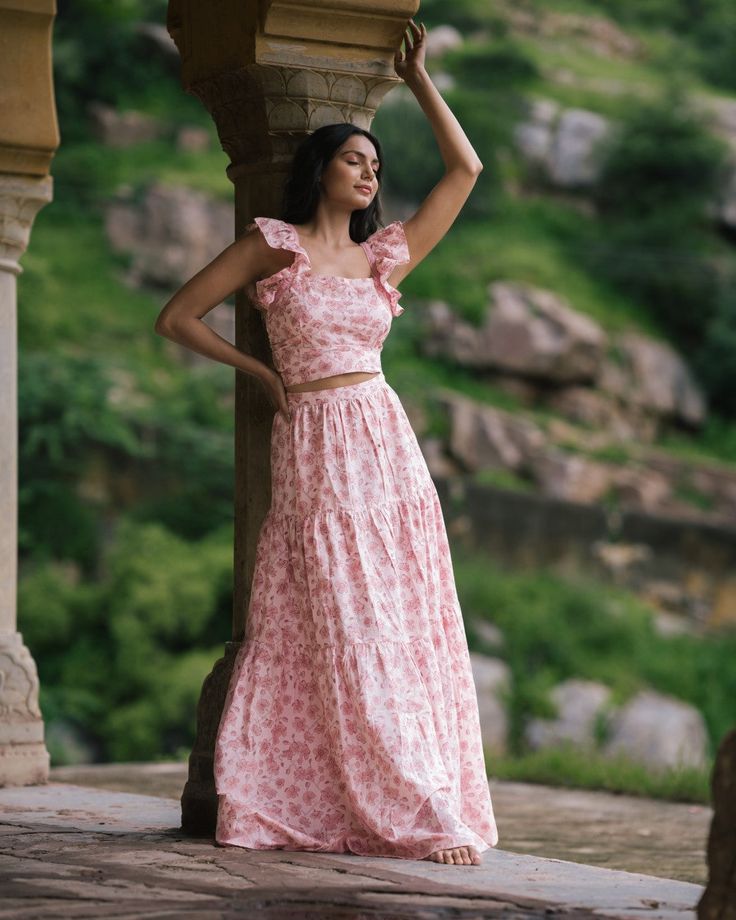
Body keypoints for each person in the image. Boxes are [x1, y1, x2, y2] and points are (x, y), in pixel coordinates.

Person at [154, 18, 499, 866]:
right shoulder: (275, 249)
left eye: (377, 165)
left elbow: (467, 171)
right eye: (356, 158)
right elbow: (177, 317)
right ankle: (336, 791)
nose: (371, 171)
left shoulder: (385, 258)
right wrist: (262, 375)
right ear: (321, 168)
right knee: (336, 616)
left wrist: (420, 79)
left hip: (384, 442)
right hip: (313, 437)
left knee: (400, 615)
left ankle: (421, 796)